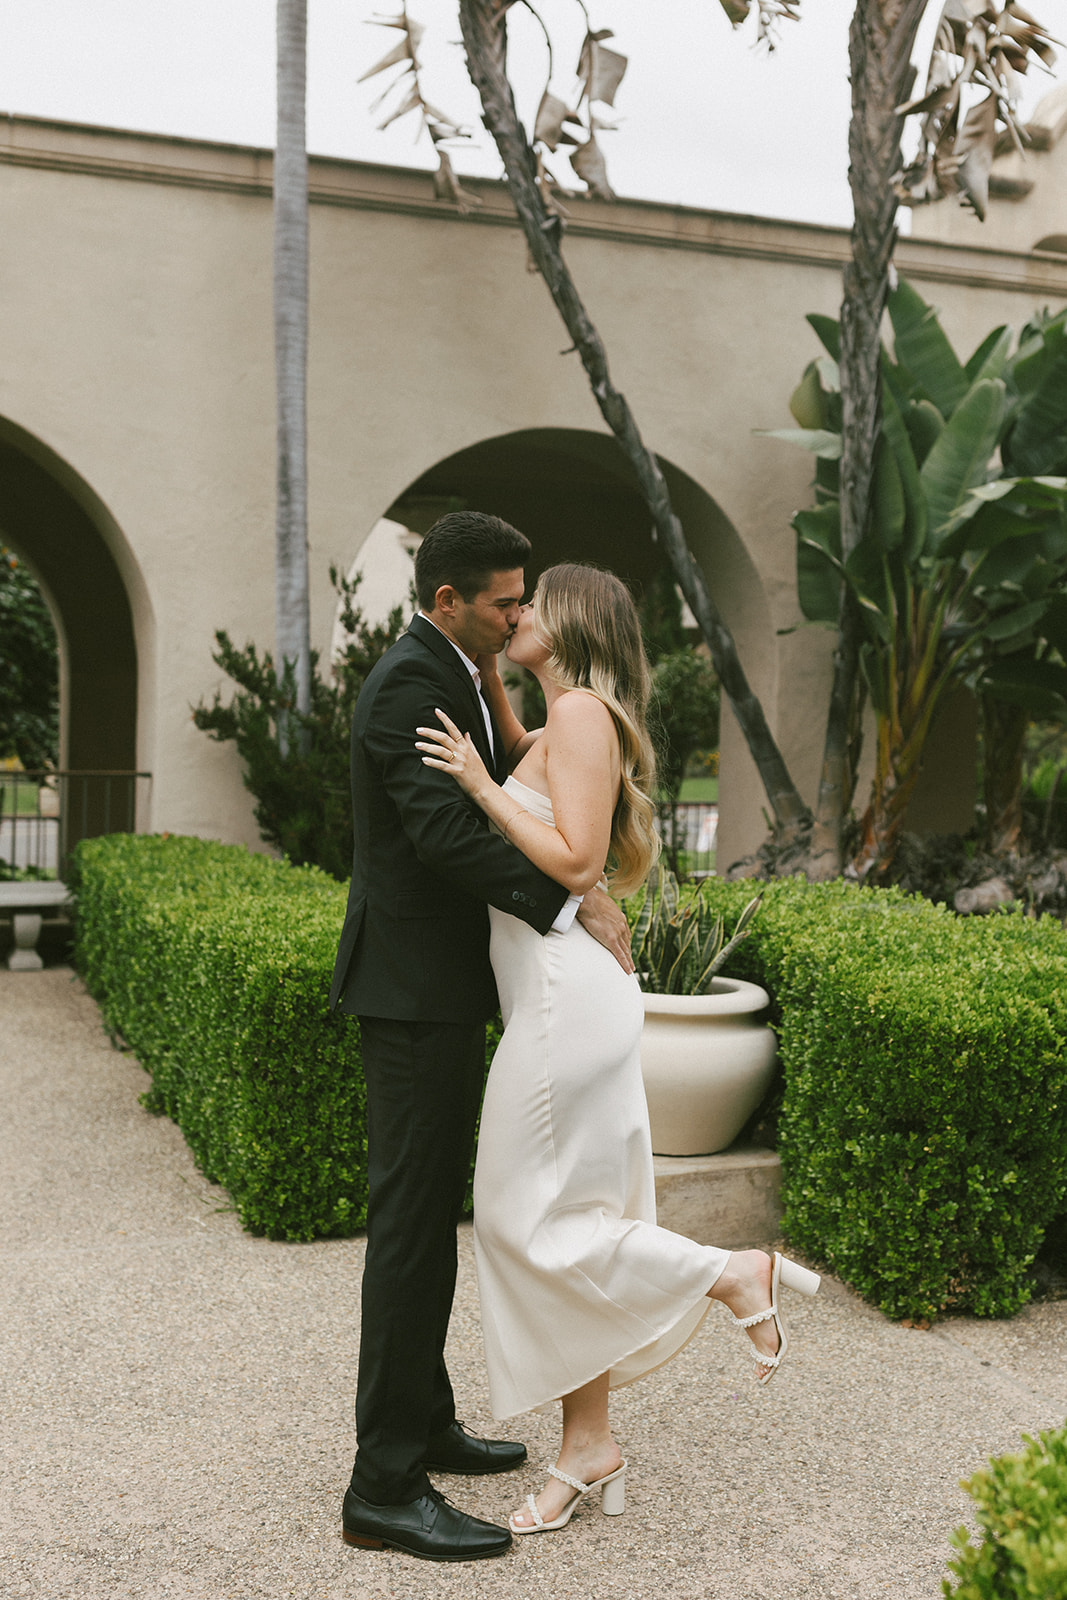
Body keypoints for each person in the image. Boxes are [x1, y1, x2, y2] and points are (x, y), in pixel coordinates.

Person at [416, 562, 820, 1537]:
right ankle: (587, 1445)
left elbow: (575, 862)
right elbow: (531, 758)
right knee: (574, 1219)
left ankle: (731, 1273)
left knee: (521, 1220)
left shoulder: (587, 717)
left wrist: (474, 781)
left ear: (567, 624)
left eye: (530, 603)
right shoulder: (563, 721)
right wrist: (490, 696)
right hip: (557, 997)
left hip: (564, 1003)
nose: (516, 614)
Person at [328, 514, 633, 1563]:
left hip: (450, 988)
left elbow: (521, 775)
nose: (517, 614)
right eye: (502, 601)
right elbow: (448, 834)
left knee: (430, 1217)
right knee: (410, 1228)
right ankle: (382, 1484)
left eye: (522, 599)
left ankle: (428, 1418)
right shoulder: (409, 686)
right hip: (411, 994)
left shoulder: (459, 668)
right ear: (447, 598)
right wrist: (571, 907)